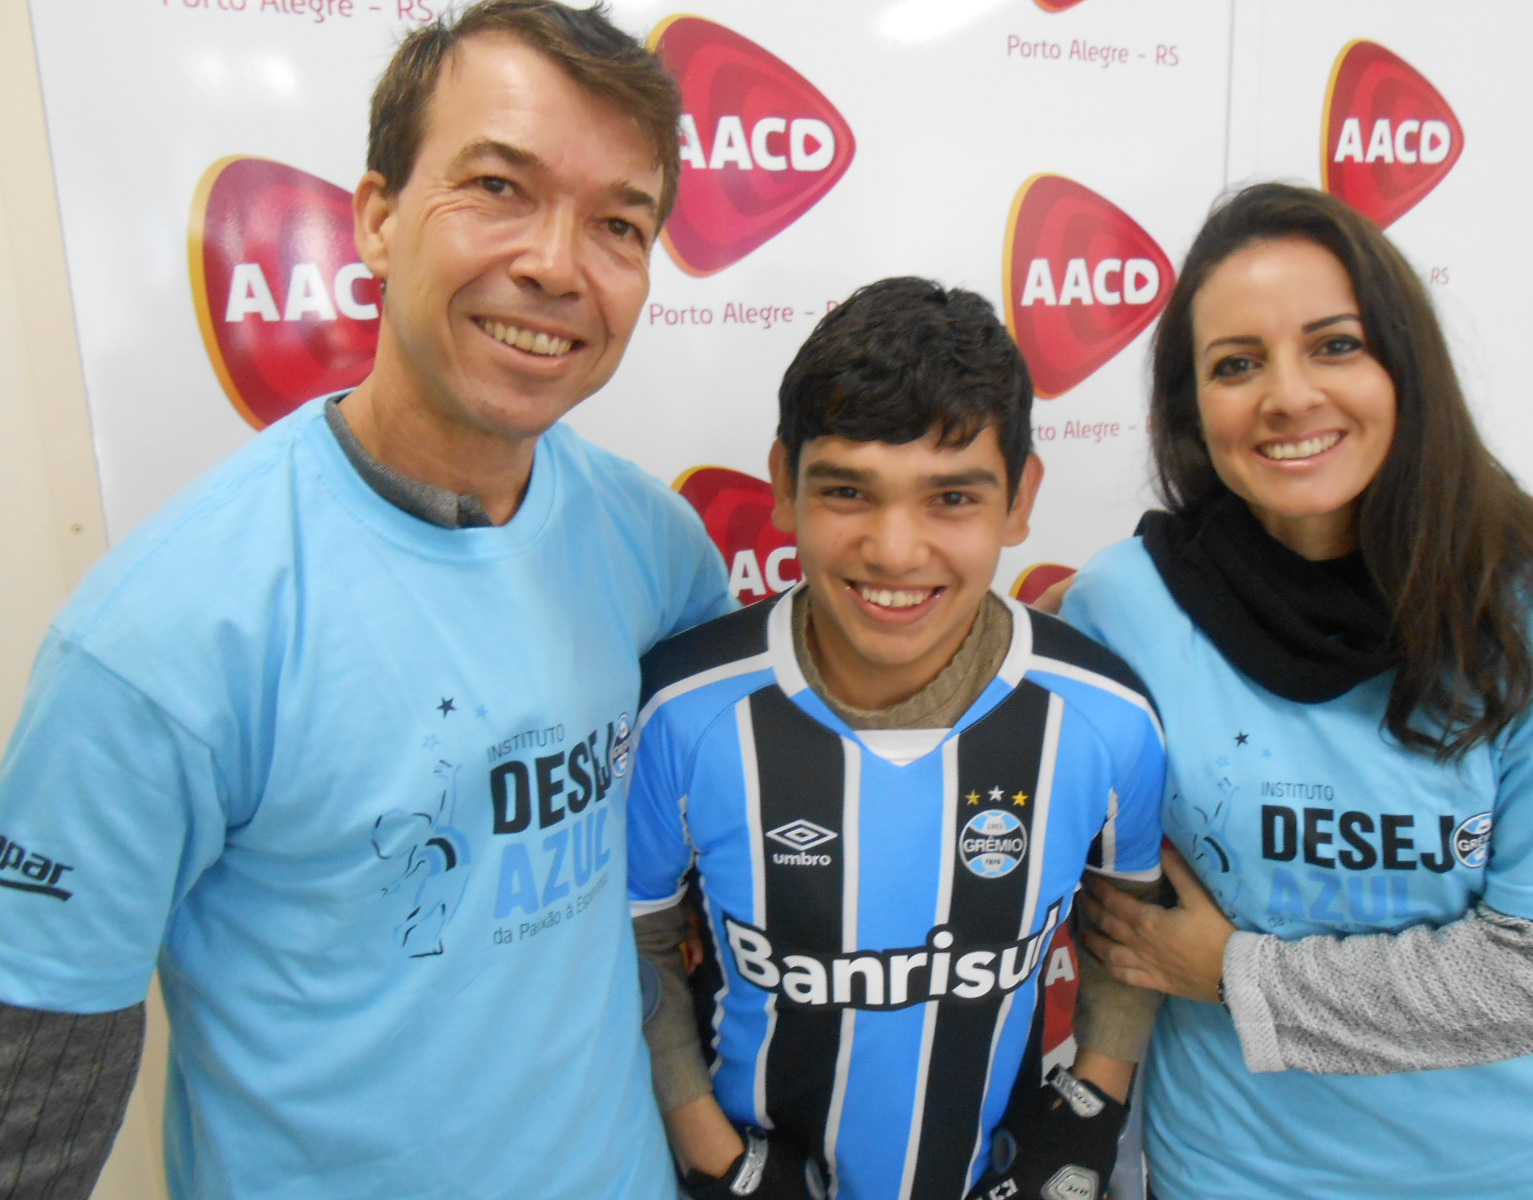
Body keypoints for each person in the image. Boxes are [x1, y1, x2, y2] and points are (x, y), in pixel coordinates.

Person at [0, 4, 732, 1198]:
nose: (555, 263)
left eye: (618, 222)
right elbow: (32, 1104)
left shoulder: (656, 547)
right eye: (498, 186)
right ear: (379, 218)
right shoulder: (161, 636)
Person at [1055, 182, 1533, 1199]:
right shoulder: (1121, 611)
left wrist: (1237, 974)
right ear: (1188, 406)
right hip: (1225, 1172)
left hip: (1495, 1179)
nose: (1288, 395)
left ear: (1406, 364)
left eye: (1335, 345)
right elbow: (1098, 911)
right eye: (1235, 365)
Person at [626, 277, 1169, 1200]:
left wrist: (1089, 1113)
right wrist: (711, 1152)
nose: (894, 549)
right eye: (848, 490)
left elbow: (1131, 937)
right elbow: (637, 953)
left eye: (951, 498)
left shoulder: (1105, 716)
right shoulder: (684, 712)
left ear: (1020, 498)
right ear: (785, 486)